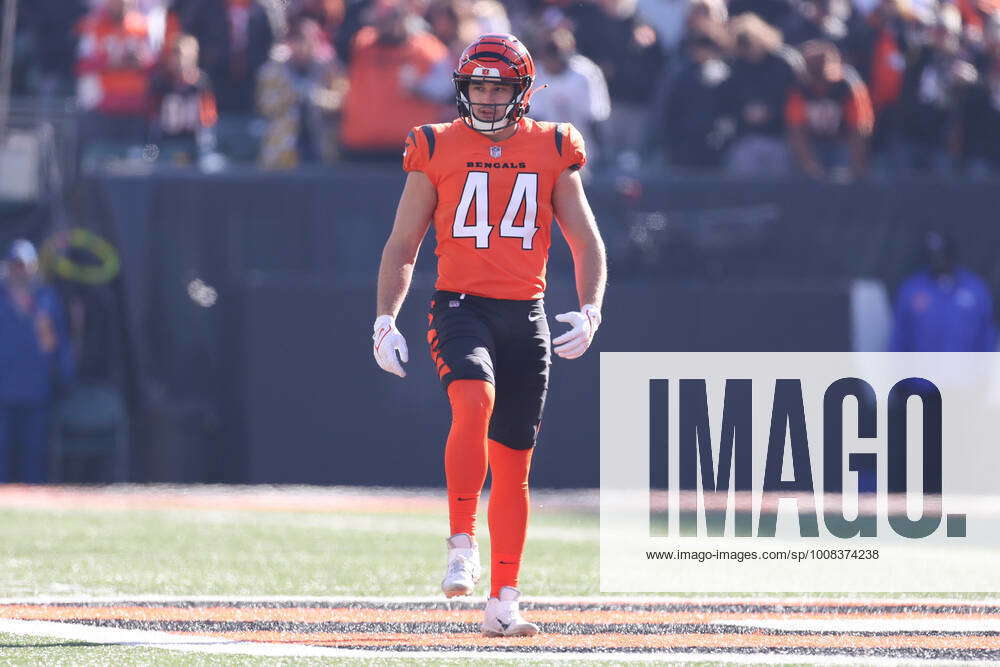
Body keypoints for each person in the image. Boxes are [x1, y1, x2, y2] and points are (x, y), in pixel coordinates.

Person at [372, 33, 607, 636]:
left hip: (524, 314)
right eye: (478, 84)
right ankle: (459, 541)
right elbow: (404, 243)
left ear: (522, 90)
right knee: (473, 399)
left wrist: (590, 308)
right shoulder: (435, 144)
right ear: (462, 87)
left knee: (513, 464)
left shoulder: (553, 145)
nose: (486, 96)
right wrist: (384, 318)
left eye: (498, 86)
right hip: (459, 305)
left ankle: (505, 599)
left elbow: (586, 241)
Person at [0, 240, 74, 483]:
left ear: (33, 267)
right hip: (4, 394)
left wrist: (64, 378)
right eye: (16, 265)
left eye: (25, 266)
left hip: (36, 393)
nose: (20, 271)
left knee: (34, 460)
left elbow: (58, 344)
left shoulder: (47, 299)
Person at [890, 231, 998, 352]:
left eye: (943, 254)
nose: (939, 260)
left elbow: (988, 337)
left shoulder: (975, 289)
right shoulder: (912, 289)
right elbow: (898, 338)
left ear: (952, 254)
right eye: (933, 255)